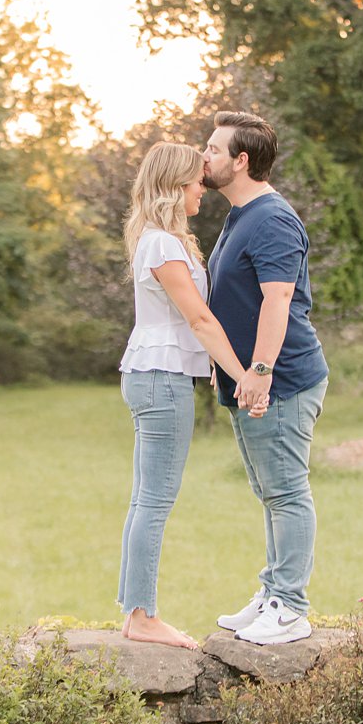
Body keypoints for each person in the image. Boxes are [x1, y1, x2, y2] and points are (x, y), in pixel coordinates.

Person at [118, 142, 267, 649]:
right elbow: (200, 320)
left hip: (151, 374)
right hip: (162, 377)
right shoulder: (162, 244)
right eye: (195, 181)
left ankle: (135, 612)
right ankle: (142, 615)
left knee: (145, 499)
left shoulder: (159, 239)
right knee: (154, 501)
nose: (202, 188)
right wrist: (244, 375)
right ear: (174, 186)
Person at [202, 111, 328, 646]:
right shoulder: (239, 216)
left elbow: (278, 300)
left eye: (212, 147)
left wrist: (259, 369)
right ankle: (273, 591)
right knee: (268, 490)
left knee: (286, 491)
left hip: (283, 379)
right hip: (247, 380)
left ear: (241, 159)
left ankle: (291, 606)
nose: (202, 155)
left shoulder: (272, 219)